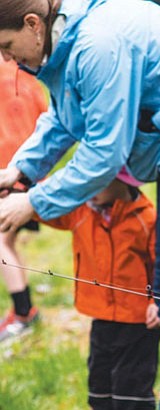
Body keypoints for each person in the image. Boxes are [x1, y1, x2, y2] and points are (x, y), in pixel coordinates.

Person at [0, 0, 160, 408]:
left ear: (33, 24)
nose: (6, 57)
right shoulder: (65, 43)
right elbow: (64, 119)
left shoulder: (97, 44)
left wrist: (32, 202)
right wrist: (18, 172)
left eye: (6, 44)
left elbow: (105, 154)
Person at [39, 170, 160, 410]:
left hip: (137, 325)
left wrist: (157, 301)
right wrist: (21, 192)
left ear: (122, 179)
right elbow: (45, 207)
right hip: (100, 320)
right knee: (99, 390)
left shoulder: (147, 218)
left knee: (132, 394)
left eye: (97, 182)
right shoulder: (80, 213)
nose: (90, 190)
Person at [0, 58, 47, 342]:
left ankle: (23, 313)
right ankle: (22, 310)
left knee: (2, 242)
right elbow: (45, 116)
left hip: (7, 169)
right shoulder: (25, 71)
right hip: (31, 167)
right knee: (8, 240)